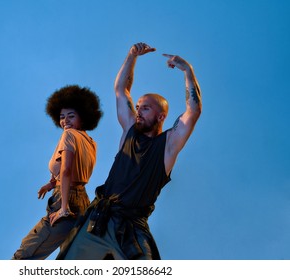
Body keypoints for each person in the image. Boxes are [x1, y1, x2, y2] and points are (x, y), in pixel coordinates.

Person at [57, 42, 202, 260]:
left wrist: (188, 71)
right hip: (99, 219)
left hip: (131, 229)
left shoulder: (168, 145)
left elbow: (194, 110)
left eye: (145, 107)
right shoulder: (129, 130)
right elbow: (121, 90)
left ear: (161, 116)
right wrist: (131, 56)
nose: (138, 111)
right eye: (138, 106)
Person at [12, 85, 103, 260]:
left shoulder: (69, 136)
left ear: (83, 117)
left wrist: (63, 209)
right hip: (83, 201)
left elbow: (67, 170)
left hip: (66, 200)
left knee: (25, 254)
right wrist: (51, 183)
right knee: (68, 257)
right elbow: (76, 172)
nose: (65, 121)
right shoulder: (91, 142)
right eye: (62, 117)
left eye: (71, 116)